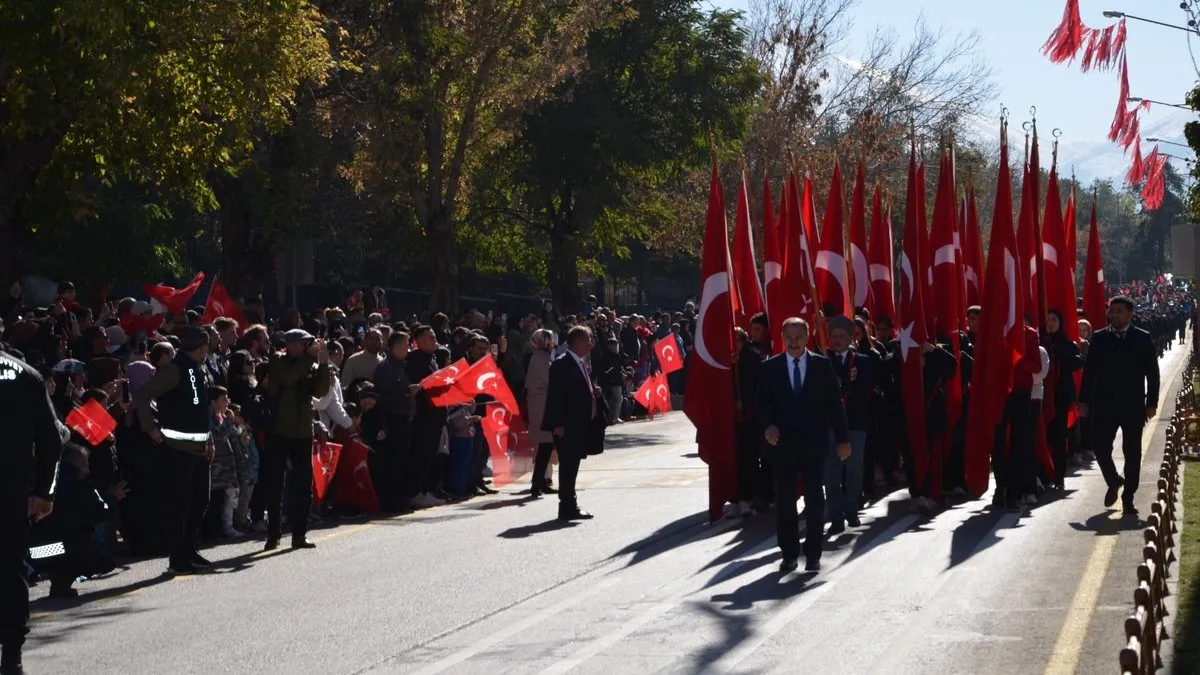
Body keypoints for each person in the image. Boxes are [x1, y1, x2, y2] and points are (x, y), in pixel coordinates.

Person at [754, 317, 850, 573]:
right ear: (782, 337)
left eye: (799, 337)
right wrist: (768, 426)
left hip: (813, 444)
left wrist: (843, 439)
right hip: (782, 445)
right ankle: (789, 553)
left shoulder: (822, 365)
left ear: (807, 336)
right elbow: (761, 405)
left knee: (815, 500)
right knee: (785, 501)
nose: (794, 342)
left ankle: (813, 553)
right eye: (789, 337)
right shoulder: (770, 367)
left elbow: (835, 406)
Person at [0, 346, 65, 675]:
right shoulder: (27, 375)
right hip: (12, 494)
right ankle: (11, 654)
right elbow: (53, 440)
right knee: (10, 570)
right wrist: (44, 492)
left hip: (12, 494)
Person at [134, 327, 216, 574]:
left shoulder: (197, 368)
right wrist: (150, 428)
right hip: (176, 449)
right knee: (179, 505)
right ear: (202, 347)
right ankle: (177, 557)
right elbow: (142, 394)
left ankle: (188, 548)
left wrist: (209, 441)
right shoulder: (174, 369)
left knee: (200, 499)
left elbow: (201, 411)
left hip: (199, 448)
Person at [1079, 296, 1160, 515]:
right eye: (1112, 311)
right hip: (1104, 404)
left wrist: (1151, 403)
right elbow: (1089, 373)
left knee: (1132, 453)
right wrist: (1084, 401)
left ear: (1130, 313)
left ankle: (1128, 497)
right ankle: (1114, 480)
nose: (1114, 315)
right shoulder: (1099, 338)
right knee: (1101, 448)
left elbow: (1152, 374)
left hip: (1133, 405)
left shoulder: (1142, 338)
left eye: (1119, 312)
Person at [261, 329, 332, 549]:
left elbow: (320, 392)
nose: (303, 348)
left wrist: (323, 363)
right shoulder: (278, 360)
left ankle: (299, 534)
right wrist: (310, 358)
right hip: (279, 431)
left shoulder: (309, 363)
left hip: (303, 433)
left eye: (305, 344)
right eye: (300, 345)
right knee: (275, 484)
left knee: (303, 485)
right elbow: (288, 378)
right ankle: (273, 533)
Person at [542, 325, 607, 521]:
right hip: (568, 425)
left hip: (579, 424)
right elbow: (555, 396)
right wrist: (558, 424)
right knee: (568, 466)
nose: (590, 344)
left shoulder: (581, 362)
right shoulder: (562, 364)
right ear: (577, 341)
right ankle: (567, 506)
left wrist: (595, 392)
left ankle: (570, 503)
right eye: (587, 340)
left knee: (573, 465)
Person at [824, 315, 872, 533]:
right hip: (830, 424)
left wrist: (849, 383)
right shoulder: (823, 360)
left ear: (850, 338)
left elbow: (865, 390)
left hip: (855, 423)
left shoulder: (862, 360)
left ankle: (851, 508)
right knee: (831, 472)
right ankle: (835, 515)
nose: (837, 340)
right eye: (833, 336)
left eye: (841, 336)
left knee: (853, 468)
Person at [525, 329, 557, 498]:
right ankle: (537, 483)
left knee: (545, 448)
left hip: (542, 406)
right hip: (542, 407)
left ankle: (540, 482)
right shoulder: (540, 359)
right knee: (544, 447)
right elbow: (551, 379)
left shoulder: (541, 358)